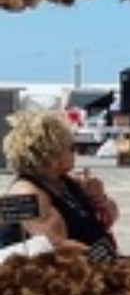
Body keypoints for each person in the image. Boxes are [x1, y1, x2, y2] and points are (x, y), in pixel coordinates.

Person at [1, 110, 119, 261]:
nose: (75, 152)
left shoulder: (65, 181)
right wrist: (110, 261)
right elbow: (56, 248)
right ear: (51, 155)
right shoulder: (24, 195)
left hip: (86, 266)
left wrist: (100, 197)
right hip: (47, 276)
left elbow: (110, 218)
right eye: (71, 147)